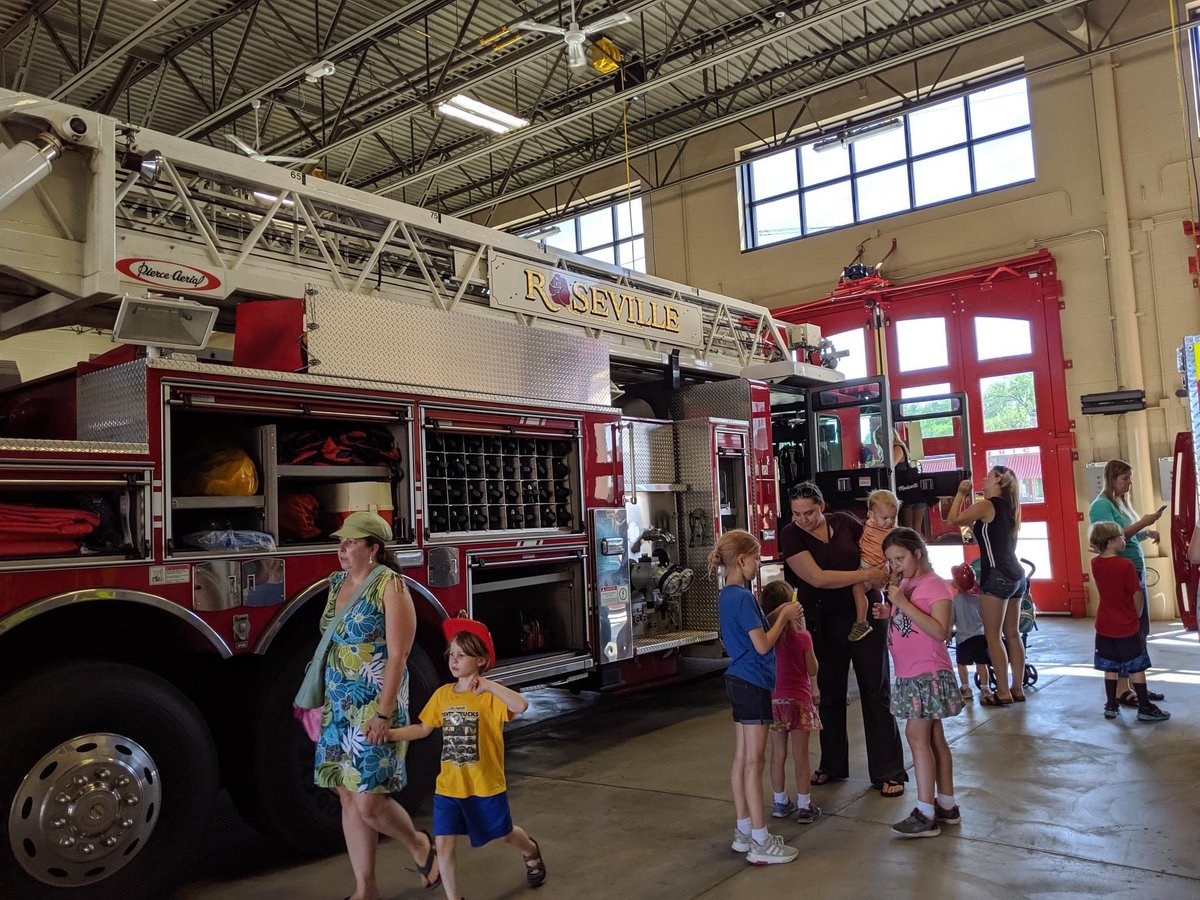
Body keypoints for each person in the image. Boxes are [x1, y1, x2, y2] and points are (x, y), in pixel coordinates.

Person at [315, 511, 439, 898]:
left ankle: (419, 844)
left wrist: (383, 714)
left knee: (369, 802)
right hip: (339, 705)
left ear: (374, 548)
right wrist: (319, 702)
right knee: (347, 794)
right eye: (342, 541)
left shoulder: (390, 585)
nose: (343, 548)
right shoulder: (336, 584)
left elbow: (400, 655)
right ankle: (365, 887)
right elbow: (330, 645)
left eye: (352, 542)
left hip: (375, 706)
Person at [386, 618, 547, 898]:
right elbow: (423, 729)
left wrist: (488, 685)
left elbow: (521, 705)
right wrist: (390, 734)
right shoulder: (442, 695)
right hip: (449, 787)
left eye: (462, 655)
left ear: (481, 659)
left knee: (504, 833)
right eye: (451, 654)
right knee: (445, 845)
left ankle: (530, 849)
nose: (454, 660)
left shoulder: (490, 697)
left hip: (485, 785)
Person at [778, 482, 907, 798]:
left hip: (867, 615)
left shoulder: (846, 521)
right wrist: (865, 576)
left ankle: (889, 771)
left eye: (809, 512)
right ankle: (833, 764)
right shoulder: (791, 534)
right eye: (797, 514)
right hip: (824, 621)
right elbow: (817, 578)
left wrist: (889, 572)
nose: (803, 519)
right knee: (831, 694)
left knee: (875, 690)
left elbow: (881, 545)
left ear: (821, 507)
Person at [713, 529, 803, 865]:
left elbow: (753, 633)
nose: (758, 563)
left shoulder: (728, 595)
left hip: (738, 679)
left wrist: (773, 617)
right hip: (754, 681)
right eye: (755, 558)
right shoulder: (743, 597)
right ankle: (761, 840)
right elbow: (763, 644)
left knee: (742, 758)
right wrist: (784, 616)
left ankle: (744, 831)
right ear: (741, 559)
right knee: (755, 762)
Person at [871, 527, 964, 838]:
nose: (895, 565)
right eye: (890, 560)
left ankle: (925, 812)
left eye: (900, 558)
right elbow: (909, 623)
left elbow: (940, 631)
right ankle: (946, 804)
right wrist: (890, 612)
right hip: (909, 671)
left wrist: (903, 604)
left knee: (916, 735)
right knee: (934, 737)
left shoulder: (935, 586)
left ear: (918, 554)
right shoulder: (905, 583)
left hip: (927, 672)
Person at [1088, 459, 1166, 708]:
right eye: (1125, 479)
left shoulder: (1119, 503)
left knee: (1140, 631)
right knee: (1127, 631)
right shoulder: (1101, 506)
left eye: (1130, 479)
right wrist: (1144, 522)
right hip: (1121, 575)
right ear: (1112, 479)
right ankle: (1123, 688)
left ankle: (1135, 682)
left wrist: (1146, 533)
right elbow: (1115, 536)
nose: (1129, 484)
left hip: (1133, 568)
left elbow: (1124, 532)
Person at [946, 466, 1026, 706]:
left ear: (999, 481)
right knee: (1012, 633)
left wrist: (960, 493)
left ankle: (1002, 691)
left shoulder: (988, 504)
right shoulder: (1011, 507)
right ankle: (1017, 688)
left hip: (997, 576)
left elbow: (952, 520)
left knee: (993, 635)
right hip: (1017, 575)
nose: (984, 477)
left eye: (989, 475)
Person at [1087, 523, 1170, 722]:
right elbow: (1136, 593)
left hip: (1105, 624)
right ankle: (1144, 706)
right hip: (1126, 624)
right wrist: (1138, 614)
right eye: (1121, 537)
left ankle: (1111, 705)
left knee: (1110, 666)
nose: (1125, 540)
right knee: (1136, 666)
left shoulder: (1095, 563)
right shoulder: (1125, 565)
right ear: (1112, 542)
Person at [760, 580, 822, 825]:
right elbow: (812, 668)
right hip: (800, 701)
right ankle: (805, 804)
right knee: (801, 755)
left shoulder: (766, 640)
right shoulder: (802, 637)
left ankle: (779, 801)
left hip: (774, 702)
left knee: (778, 754)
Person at [850, 490, 901, 642]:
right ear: (871, 515)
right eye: (884, 518)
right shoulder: (869, 524)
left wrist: (891, 574)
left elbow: (895, 557)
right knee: (857, 589)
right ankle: (862, 621)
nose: (889, 521)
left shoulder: (892, 534)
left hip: (878, 568)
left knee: (857, 589)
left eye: (893, 517)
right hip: (864, 566)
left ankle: (861, 622)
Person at [949, 563, 989, 703]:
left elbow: (952, 620)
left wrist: (948, 634)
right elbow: (985, 616)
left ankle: (965, 688)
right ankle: (985, 688)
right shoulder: (978, 598)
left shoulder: (955, 600)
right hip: (980, 636)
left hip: (963, 638)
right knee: (981, 664)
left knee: (961, 664)